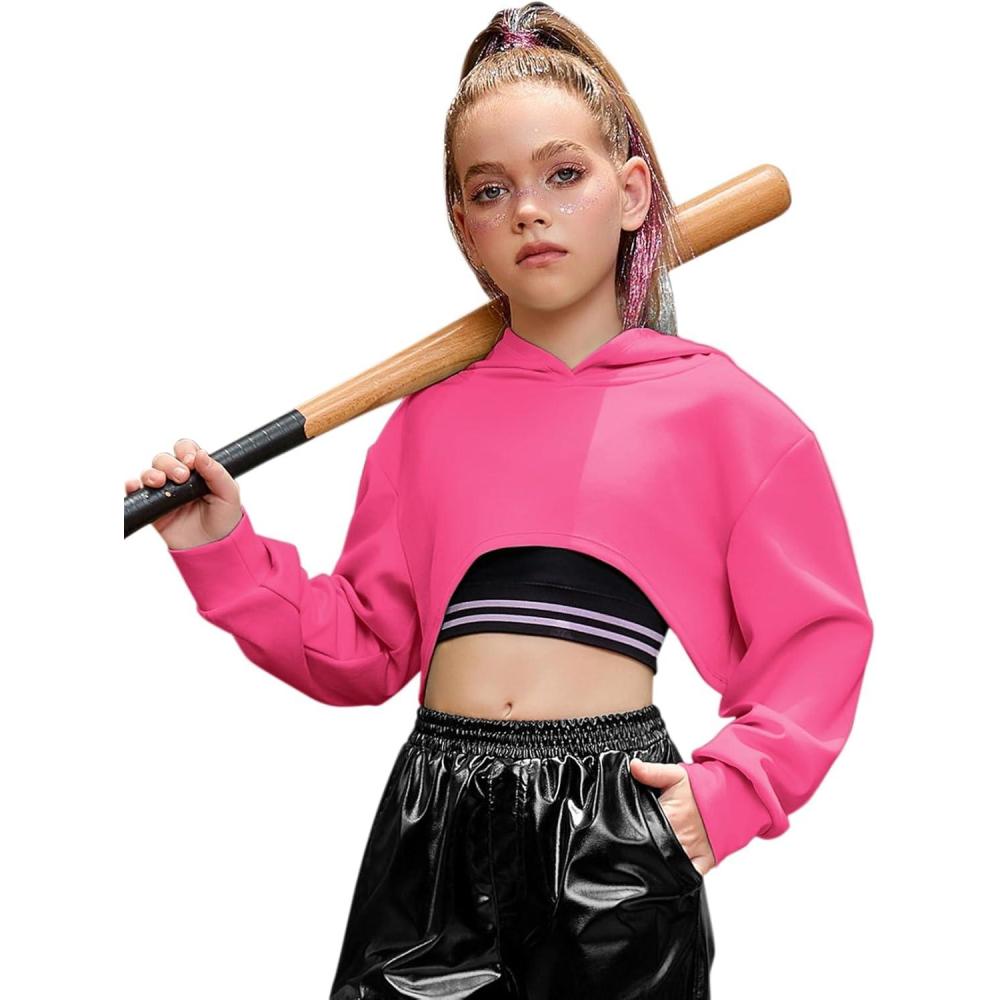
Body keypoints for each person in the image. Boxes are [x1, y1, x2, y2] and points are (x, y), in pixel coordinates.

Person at [125, 5, 874, 998]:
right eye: (491, 189)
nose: (528, 210)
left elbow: (817, 633)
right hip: (435, 824)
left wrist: (734, 789)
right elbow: (364, 646)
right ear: (466, 229)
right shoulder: (426, 424)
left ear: (632, 193)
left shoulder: (721, 414)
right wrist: (220, 542)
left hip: (613, 824)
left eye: (563, 175)